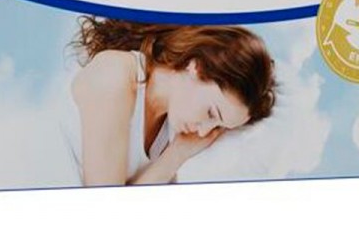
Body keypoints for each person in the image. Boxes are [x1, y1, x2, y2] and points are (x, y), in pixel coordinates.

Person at [57, 17, 277, 186]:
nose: (203, 133)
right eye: (211, 113)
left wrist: (178, 153)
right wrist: (175, 156)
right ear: (196, 66)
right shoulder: (115, 74)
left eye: (218, 127)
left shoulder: (169, 128)